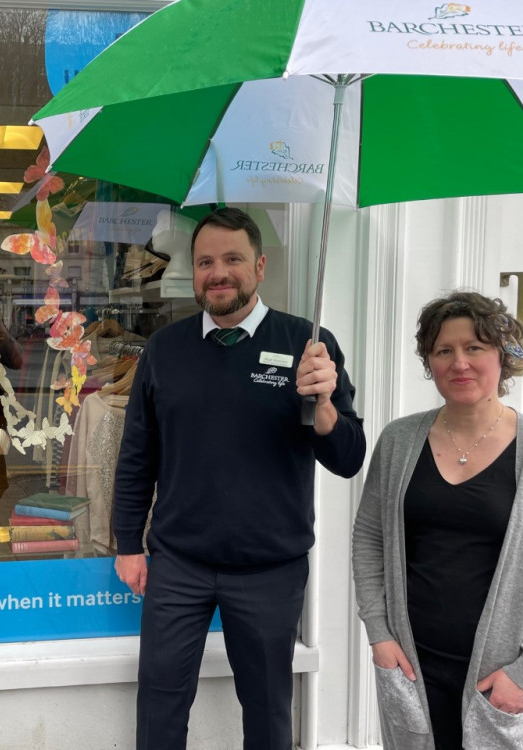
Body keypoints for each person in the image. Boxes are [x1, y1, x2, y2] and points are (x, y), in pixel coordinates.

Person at [113, 206, 366, 750]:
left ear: (261, 266)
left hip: (270, 567)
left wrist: (323, 405)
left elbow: (348, 457)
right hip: (179, 563)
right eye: (205, 261)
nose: (217, 272)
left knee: (269, 710)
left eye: (232, 259)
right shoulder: (165, 349)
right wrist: (128, 543)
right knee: (159, 701)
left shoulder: (309, 346)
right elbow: (138, 454)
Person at [352, 291, 523, 750]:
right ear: (429, 360)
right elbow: (368, 537)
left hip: (504, 675)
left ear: (503, 356)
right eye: (444, 350)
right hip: (412, 663)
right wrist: (380, 633)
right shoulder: (399, 439)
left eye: (475, 348)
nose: (459, 362)